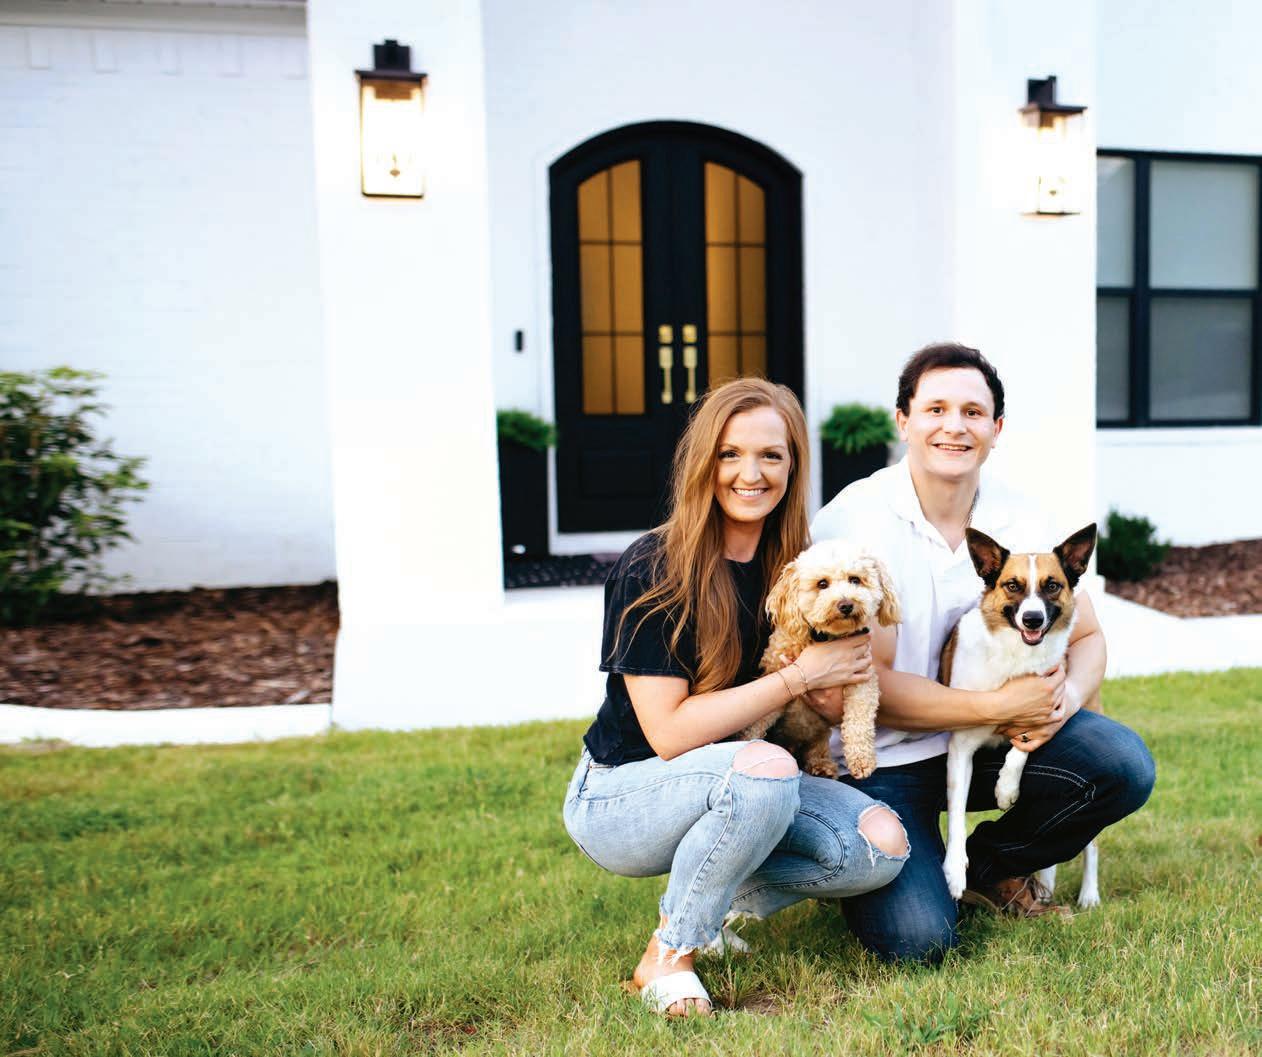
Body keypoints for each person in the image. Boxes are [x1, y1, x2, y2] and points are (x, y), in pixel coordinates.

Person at [563, 378, 909, 1017]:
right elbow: (668, 734)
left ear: (792, 466)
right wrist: (799, 678)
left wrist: (835, 689)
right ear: (704, 462)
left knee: (880, 845)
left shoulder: (799, 567)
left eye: (771, 455)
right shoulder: (653, 566)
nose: (751, 474)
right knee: (767, 766)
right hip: (623, 792)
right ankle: (670, 952)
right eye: (730, 454)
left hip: (747, 778)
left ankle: (710, 896)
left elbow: (839, 679)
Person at [811, 342, 1156, 962]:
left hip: (995, 748)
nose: (954, 426)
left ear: (996, 429)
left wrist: (1063, 700)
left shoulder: (1024, 517)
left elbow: (1088, 638)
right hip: (882, 763)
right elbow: (858, 686)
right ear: (903, 421)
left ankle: (992, 865)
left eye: (973, 412)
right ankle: (858, 858)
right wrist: (995, 707)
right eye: (935, 409)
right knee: (918, 940)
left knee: (1122, 763)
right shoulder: (855, 521)